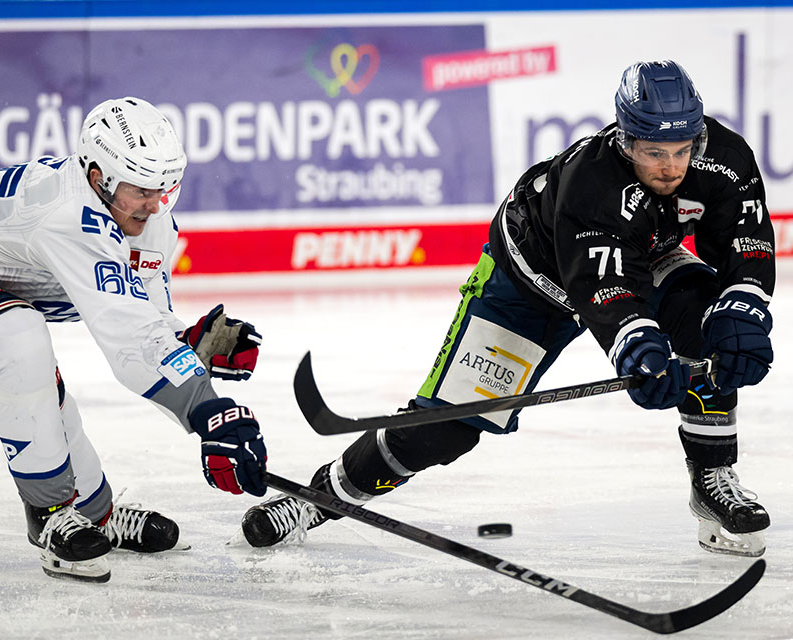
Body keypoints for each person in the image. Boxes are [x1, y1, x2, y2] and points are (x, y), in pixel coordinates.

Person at [241, 60, 774, 557]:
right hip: (529, 286)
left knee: (716, 331)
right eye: (654, 152)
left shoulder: (724, 156)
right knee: (443, 429)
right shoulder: (591, 183)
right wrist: (637, 346)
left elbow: (746, 243)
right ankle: (316, 501)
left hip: (645, 259)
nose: (671, 166)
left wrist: (743, 309)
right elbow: (601, 287)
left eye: (682, 149)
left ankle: (712, 479)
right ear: (625, 137)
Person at [0, 96, 268, 583]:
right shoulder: (68, 215)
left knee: (26, 364)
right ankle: (48, 515)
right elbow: (129, 341)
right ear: (96, 177)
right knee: (14, 336)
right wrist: (207, 412)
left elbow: (145, 322)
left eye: (165, 187)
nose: (155, 205)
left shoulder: (148, 224)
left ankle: (95, 514)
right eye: (140, 189)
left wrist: (189, 342)